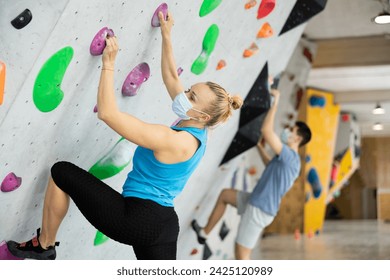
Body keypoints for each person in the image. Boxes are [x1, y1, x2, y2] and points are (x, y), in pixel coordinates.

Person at [6, 11, 243, 260]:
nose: (184, 94)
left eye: (191, 96)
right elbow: (172, 77)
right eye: (189, 90)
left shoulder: (175, 140)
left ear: (204, 115)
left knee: (61, 172)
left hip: (137, 219)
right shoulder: (198, 127)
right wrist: (166, 34)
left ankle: (44, 245)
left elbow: (108, 113)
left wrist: (108, 63)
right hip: (164, 225)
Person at [192, 88, 312, 260]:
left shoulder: (290, 157)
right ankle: (204, 233)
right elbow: (269, 164)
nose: (287, 131)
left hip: (259, 209)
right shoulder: (288, 161)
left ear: (298, 138)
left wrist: (275, 102)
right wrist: (259, 146)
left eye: (291, 130)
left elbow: (267, 131)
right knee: (225, 195)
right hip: (256, 200)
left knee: (242, 254)